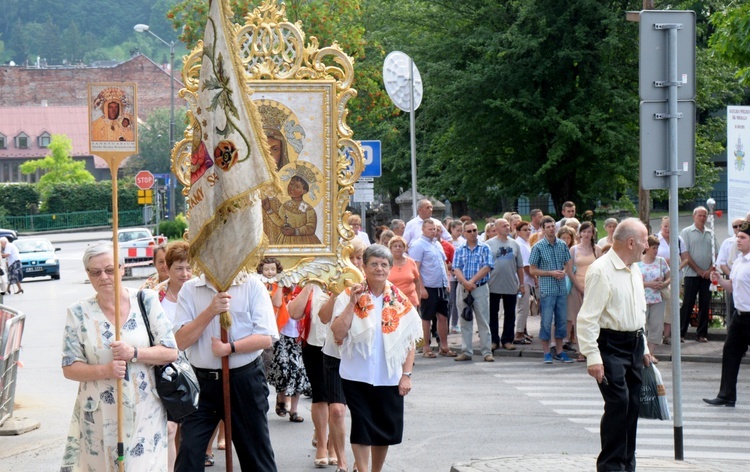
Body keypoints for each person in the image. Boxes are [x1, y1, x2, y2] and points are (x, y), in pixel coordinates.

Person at [61, 244, 178, 471]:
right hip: (98, 417)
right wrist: (104, 370)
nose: (103, 277)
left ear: (122, 269)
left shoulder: (146, 300)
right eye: (95, 272)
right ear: (88, 275)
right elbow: (69, 367)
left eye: (109, 269)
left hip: (145, 410)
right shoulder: (77, 312)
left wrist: (134, 353)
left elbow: (170, 351)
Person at [173, 269, 279, 471]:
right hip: (202, 383)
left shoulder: (252, 285)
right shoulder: (190, 289)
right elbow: (180, 341)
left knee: (257, 457)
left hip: (244, 381)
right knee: (189, 455)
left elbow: (266, 337)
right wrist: (210, 311)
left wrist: (230, 348)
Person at [330, 245, 422, 472]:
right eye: (374, 264)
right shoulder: (349, 293)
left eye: (384, 264)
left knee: (383, 430)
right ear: (364, 266)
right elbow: (338, 333)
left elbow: (409, 342)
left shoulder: (400, 300)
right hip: (356, 373)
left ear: (390, 268)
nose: (379, 269)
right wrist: (352, 303)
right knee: (361, 426)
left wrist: (406, 375)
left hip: (388, 376)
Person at [577, 218, 653, 472]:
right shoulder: (601, 270)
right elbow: (588, 317)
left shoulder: (634, 268)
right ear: (631, 242)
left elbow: (636, 310)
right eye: (644, 240)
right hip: (610, 345)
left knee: (632, 406)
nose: (647, 246)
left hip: (633, 345)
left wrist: (644, 348)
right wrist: (592, 357)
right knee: (618, 405)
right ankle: (610, 466)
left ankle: (627, 465)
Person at [320, 236, 367, 472]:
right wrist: (336, 292)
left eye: (359, 258)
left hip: (360, 357)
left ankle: (361, 461)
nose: (356, 263)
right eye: (352, 258)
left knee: (360, 411)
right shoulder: (336, 283)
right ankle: (342, 462)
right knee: (337, 410)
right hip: (335, 355)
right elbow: (323, 317)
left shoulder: (373, 284)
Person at [152, 241, 193, 471]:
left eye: (189, 268)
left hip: (196, 366)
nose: (185, 274)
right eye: (179, 268)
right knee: (170, 427)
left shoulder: (199, 292)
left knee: (190, 427)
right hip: (166, 369)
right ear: (167, 268)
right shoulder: (154, 295)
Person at [288, 279, 335, 467]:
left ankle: (334, 443)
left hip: (342, 345)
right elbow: (293, 313)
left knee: (337, 399)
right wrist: (309, 286)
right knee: (321, 395)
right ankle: (323, 445)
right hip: (314, 344)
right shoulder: (310, 279)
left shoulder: (347, 274)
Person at [704, 222, 750, 408]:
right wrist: (720, 280)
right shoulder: (739, 261)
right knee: (730, 353)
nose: (738, 240)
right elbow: (732, 287)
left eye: (743, 237)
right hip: (739, 317)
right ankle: (726, 395)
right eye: (738, 236)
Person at [262, 257, 311, 424]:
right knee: (284, 369)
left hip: (300, 335)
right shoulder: (278, 286)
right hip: (283, 333)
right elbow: (276, 303)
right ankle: (282, 398)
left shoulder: (306, 287)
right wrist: (282, 284)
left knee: (298, 371)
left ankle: (294, 410)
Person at [529, 216, 575, 364]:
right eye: (547, 227)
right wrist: (551, 273)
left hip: (561, 289)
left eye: (552, 226)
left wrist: (563, 271)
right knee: (546, 321)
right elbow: (532, 270)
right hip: (547, 290)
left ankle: (560, 351)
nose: (550, 229)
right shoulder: (538, 247)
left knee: (561, 321)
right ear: (542, 229)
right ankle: (546, 352)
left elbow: (568, 262)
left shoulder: (562, 245)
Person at [409, 219, 454, 358]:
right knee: (426, 318)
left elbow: (444, 263)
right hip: (428, 286)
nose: (433, 231)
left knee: (443, 316)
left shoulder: (438, 244)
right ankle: (426, 347)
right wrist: (421, 288)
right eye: (430, 229)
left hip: (441, 285)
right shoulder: (418, 245)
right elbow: (415, 269)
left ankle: (444, 346)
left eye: (435, 229)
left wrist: (447, 281)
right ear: (423, 229)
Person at [453, 221, 495, 362]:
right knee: (465, 320)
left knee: (483, 321)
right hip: (463, 288)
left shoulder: (485, 247)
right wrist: (465, 283)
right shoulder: (459, 249)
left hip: (480, 287)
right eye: (469, 231)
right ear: (464, 233)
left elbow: (487, 266)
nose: (472, 233)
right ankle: (466, 351)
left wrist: (472, 281)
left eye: (475, 230)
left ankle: (487, 352)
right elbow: (456, 268)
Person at [485, 218, 524, 351]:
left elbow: (520, 266)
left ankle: (507, 339)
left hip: (510, 284)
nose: (507, 228)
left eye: (508, 225)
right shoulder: (488, 244)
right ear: (496, 229)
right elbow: (484, 265)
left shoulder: (514, 244)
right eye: (504, 226)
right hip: (493, 284)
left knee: (510, 313)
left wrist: (522, 284)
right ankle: (493, 340)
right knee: (492, 313)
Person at [566, 221, 602, 361]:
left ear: (593, 234)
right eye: (584, 231)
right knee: (578, 319)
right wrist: (579, 288)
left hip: (594, 288)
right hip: (577, 287)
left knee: (594, 320)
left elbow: (601, 269)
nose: (587, 234)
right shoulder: (574, 250)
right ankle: (581, 350)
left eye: (589, 232)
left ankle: (593, 349)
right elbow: (569, 270)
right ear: (580, 233)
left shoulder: (597, 249)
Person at [679, 206, 716, 342]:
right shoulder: (686, 232)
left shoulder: (710, 233)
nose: (702, 218)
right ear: (694, 216)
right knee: (688, 304)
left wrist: (710, 269)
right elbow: (685, 254)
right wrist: (699, 271)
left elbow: (716, 253)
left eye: (704, 215)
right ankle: (681, 333)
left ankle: (701, 334)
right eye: (699, 215)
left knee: (705, 304)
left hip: (707, 276)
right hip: (691, 274)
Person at [262, 172, 322, 245]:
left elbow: (311, 228)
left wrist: (295, 231)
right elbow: (281, 223)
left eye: (297, 187)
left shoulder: (308, 209)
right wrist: (268, 209)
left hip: (304, 242)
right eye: (291, 184)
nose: (292, 188)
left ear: (304, 191)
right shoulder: (285, 206)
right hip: (286, 241)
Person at [638, 235, 670, 363]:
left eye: (657, 248)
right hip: (642, 299)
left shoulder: (661, 261)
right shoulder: (638, 262)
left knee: (656, 326)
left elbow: (669, 277)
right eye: (653, 248)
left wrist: (664, 284)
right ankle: (642, 353)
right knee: (642, 326)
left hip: (657, 299)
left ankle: (650, 354)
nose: (655, 250)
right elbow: (634, 281)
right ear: (647, 248)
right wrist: (649, 284)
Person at [657, 216, 688, 345]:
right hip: (658, 278)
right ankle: (655, 334)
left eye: (671, 226)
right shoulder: (654, 239)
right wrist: (662, 261)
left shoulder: (679, 240)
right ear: (661, 227)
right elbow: (646, 256)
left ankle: (667, 335)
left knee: (671, 306)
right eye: (665, 226)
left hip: (675, 278)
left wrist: (677, 267)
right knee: (656, 306)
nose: (668, 229)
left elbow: (686, 258)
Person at [717, 218, 746, 328]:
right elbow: (722, 263)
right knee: (731, 309)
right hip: (732, 278)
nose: (738, 228)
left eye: (741, 225)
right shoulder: (728, 242)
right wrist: (732, 276)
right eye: (735, 226)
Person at [388, 236, 425, 311]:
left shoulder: (411, 262)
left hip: (411, 301)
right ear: (390, 248)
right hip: (392, 301)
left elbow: (417, 281)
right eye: (395, 246)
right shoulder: (386, 263)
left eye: (400, 246)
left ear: (404, 248)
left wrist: (418, 299)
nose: (398, 248)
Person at [513, 221, 535, 344]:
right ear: (518, 231)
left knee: (525, 306)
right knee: (523, 306)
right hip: (522, 281)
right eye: (525, 230)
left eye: (529, 229)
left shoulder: (525, 243)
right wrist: (535, 278)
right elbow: (526, 266)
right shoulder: (520, 244)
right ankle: (519, 333)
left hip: (525, 280)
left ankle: (524, 330)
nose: (528, 232)